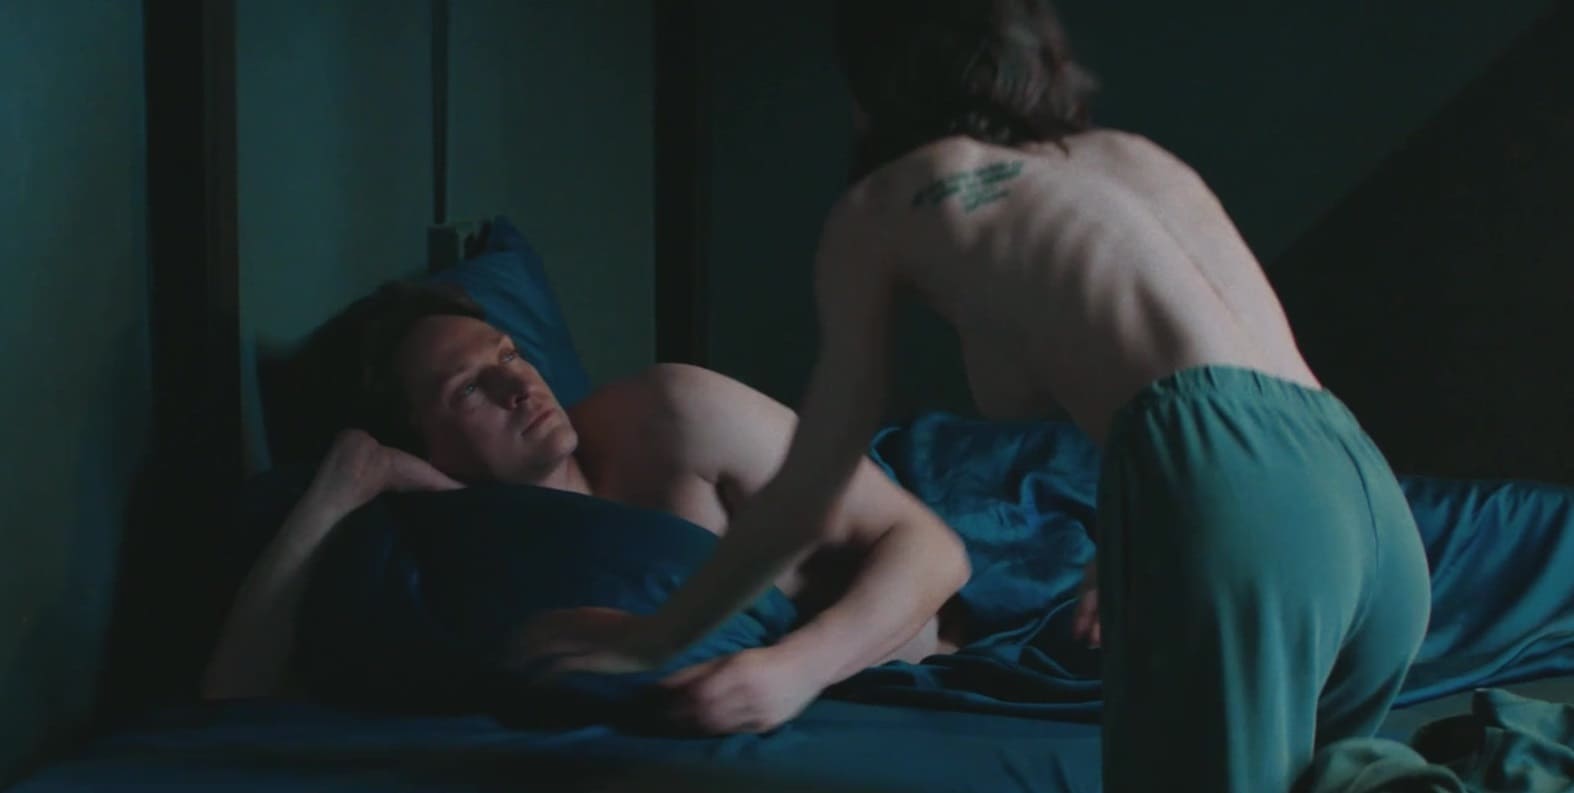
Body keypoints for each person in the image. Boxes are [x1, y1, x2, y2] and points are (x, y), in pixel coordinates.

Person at [519, 2, 1433, 792]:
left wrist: (662, 641)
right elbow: (1216, 392)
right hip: (1363, 492)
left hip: (1235, 495)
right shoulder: (1128, 157)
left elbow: (819, 470)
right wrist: (1148, 528)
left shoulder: (888, 203)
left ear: (872, 84)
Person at [202, 281, 970, 735]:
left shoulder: (674, 417)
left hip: (906, 622)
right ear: (421, 446)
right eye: (469, 388)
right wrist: (346, 479)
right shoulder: (449, 566)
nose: (520, 383)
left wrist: (792, 672)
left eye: (508, 353)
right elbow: (232, 694)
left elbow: (932, 546)